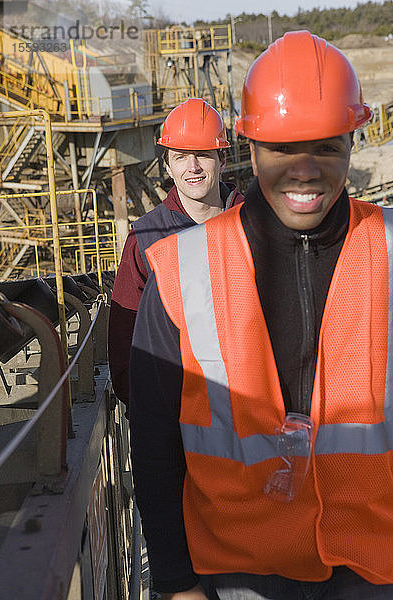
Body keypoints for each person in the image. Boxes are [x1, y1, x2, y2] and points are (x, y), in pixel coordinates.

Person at [129, 30, 393, 599]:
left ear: (352, 141)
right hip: (240, 570)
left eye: (327, 146)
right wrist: (175, 583)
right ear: (249, 148)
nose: (305, 169)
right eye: (282, 147)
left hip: (375, 565)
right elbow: (153, 442)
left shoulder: (391, 249)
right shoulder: (181, 270)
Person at [108, 98, 243, 414]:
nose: (193, 167)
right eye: (181, 157)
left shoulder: (253, 226)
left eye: (203, 156)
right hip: (176, 418)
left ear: (222, 160)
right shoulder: (145, 239)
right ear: (167, 166)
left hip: (252, 414)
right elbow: (124, 338)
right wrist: (150, 412)